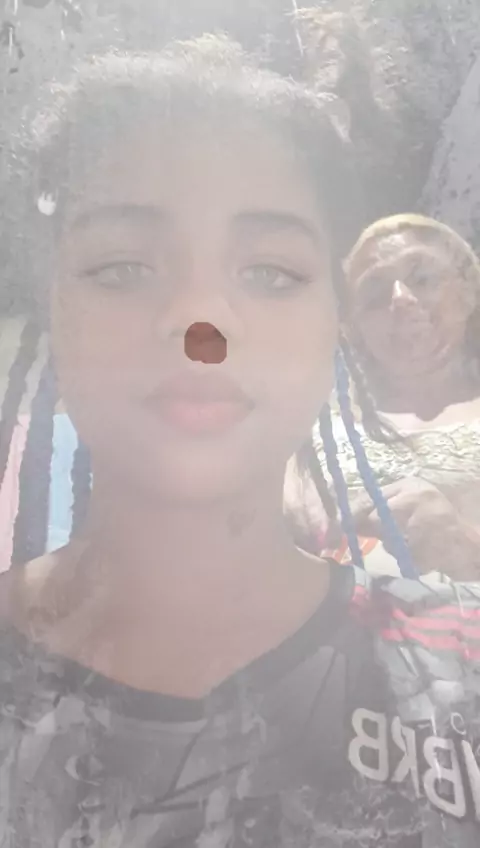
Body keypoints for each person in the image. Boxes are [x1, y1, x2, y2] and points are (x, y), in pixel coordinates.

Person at [1, 37, 480, 847]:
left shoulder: (459, 670)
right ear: (52, 306)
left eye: (270, 273)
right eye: (121, 267)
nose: (202, 326)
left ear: (334, 327)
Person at [308, 214, 480, 579]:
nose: (400, 299)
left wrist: (466, 547)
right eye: (375, 295)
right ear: (353, 327)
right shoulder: (309, 426)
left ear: (468, 292)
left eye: (423, 279)